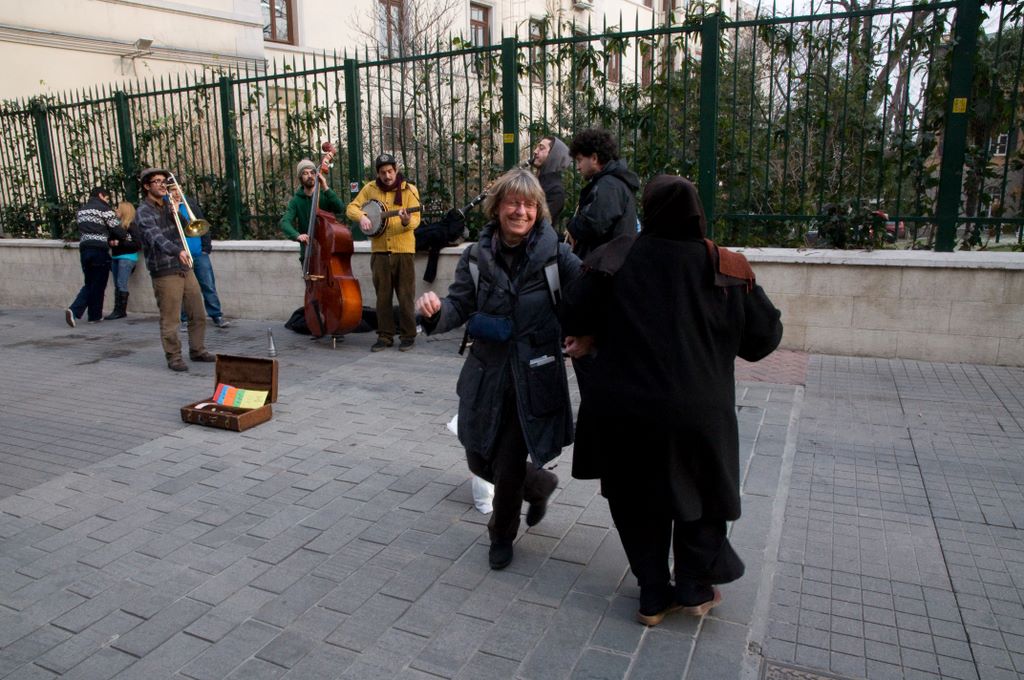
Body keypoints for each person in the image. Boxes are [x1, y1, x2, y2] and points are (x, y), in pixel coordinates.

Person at [563, 175, 783, 627]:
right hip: (699, 412)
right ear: (698, 212)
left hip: (624, 411)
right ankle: (694, 587)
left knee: (634, 498)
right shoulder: (727, 266)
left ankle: (652, 594)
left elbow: (574, 312)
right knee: (701, 493)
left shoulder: (613, 259)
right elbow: (764, 339)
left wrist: (595, 333)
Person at [415, 167, 581, 570]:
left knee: (507, 462)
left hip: (533, 374)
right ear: (498, 207)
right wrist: (435, 314)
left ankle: (501, 535)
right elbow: (459, 305)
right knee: (477, 455)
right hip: (486, 373)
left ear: (538, 210)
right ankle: (539, 485)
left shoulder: (557, 256)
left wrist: (587, 335)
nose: (520, 211)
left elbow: (587, 297)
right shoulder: (475, 256)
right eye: (513, 202)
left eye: (528, 204)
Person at [135, 167, 214, 372]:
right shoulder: (144, 211)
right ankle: (174, 356)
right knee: (171, 317)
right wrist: (177, 250)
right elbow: (156, 238)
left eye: (164, 181)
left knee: (197, 312)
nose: (163, 185)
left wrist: (177, 211)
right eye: (157, 182)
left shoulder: (170, 205)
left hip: (184, 267)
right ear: (146, 186)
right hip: (164, 269)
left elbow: (189, 229)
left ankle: (197, 350)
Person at [347, 153, 421, 352]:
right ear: (377, 174)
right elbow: (351, 208)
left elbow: (415, 220)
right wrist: (362, 216)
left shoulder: (409, 190)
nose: (387, 176)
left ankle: (408, 335)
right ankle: (385, 336)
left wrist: (405, 220)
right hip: (379, 252)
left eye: (390, 171)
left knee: (406, 296)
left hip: (403, 251)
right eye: (382, 172)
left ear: (396, 170)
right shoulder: (370, 189)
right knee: (383, 297)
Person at [565, 128, 640, 259]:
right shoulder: (612, 182)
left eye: (580, 160)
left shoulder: (609, 185)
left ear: (594, 158)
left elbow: (593, 225)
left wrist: (572, 227)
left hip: (605, 264)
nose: (578, 167)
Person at [167, 179, 230, 329]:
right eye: (173, 190)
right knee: (183, 289)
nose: (177, 193)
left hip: (199, 253)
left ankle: (217, 315)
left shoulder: (190, 204)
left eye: (179, 188)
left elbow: (202, 224)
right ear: (168, 192)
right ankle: (184, 319)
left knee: (208, 285)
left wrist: (205, 248)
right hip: (180, 255)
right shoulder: (165, 207)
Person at [65, 187, 117, 327]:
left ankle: (95, 315)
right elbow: (116, 228)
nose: (107, 201)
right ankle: (74, 309)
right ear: (101, 195)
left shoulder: (81, 211)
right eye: (107, 198)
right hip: (99, 249)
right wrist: (124, 237)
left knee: (92, 282)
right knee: (97, 282)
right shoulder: (104, 209)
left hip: (85, 249)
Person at [279, 153, 343, 266]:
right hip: (308, 254)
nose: (310, 176)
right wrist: (297, 235)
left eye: (312, 172)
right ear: (300, 178)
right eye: (305, 173)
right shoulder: (296, 201)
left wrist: (326, 188)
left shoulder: (324, 195)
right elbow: (285, 222)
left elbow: (340, 208)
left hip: (328, 251)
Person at [103, 201, 141, 320]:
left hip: (127, 258)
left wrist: (120, 243)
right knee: (117, 284)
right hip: (116, 257)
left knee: (121, 283)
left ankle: (120, 310)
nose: (116, 211)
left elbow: (137, 245)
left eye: (118, 210)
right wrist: (112, 242)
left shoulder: (132, 226)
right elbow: (109, 240)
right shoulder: (116, 226)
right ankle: (117, 309)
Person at [531, 135, 571, 228]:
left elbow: (539, 222)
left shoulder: (556, 190)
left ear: (553, 155)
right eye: (537, 147)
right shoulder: (538, 181)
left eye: (541, 148)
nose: (535, 151)